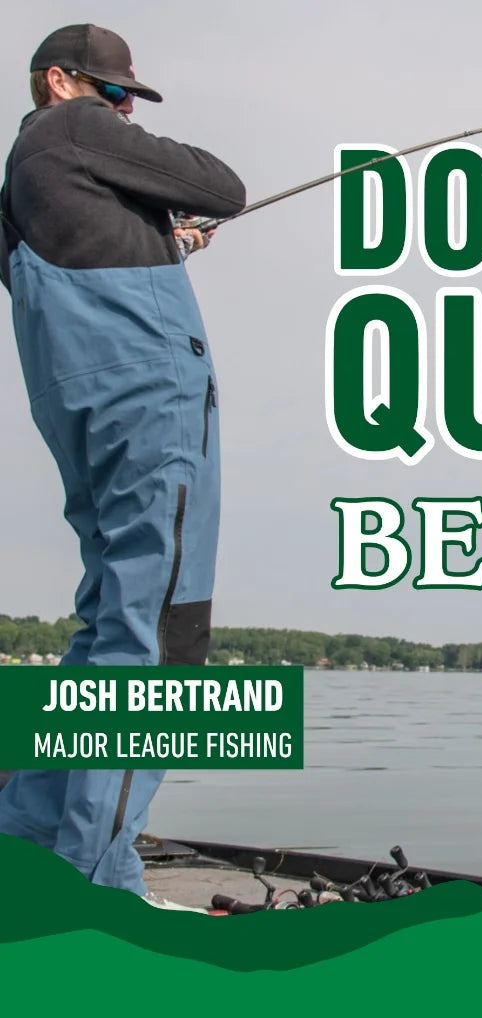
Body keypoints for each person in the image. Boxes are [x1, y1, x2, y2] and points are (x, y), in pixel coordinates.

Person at [0, 25, 246, 902]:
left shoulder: (23, 181)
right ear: (58, 81)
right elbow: (223, 185)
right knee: (159, 635)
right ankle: (96, 885)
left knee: (105, 616)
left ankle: (24, 843)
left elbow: (90, 265)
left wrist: (163, 237)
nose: (123, 109)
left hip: (82, 401)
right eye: (112, 92)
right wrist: (173, 206)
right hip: (152, 402)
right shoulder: (75, 129)